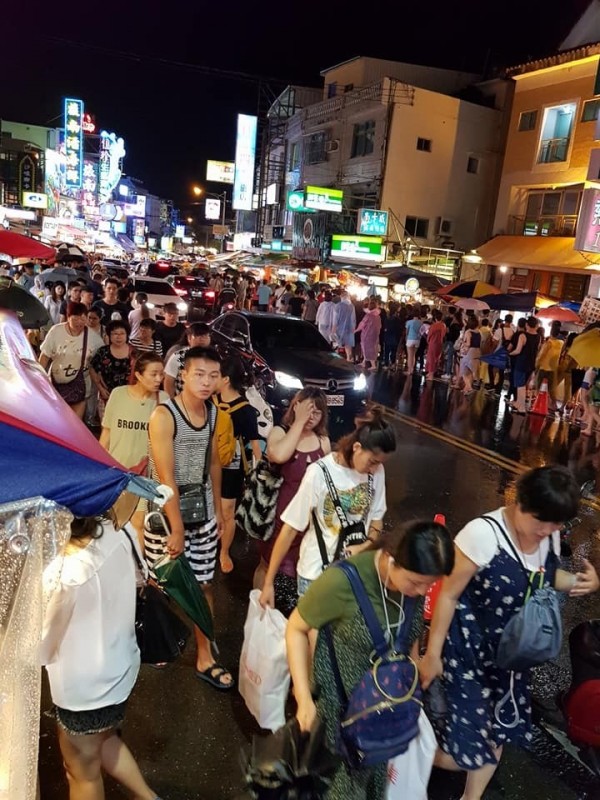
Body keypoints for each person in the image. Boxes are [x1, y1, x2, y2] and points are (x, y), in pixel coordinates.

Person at [420, 466, 600, 800]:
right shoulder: (481, 534)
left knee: (497, 735)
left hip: (513, 658)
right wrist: (432, 654)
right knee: (467, 751)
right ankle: (404, 759)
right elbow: (447, 594)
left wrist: (578, 582)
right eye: (540, 522)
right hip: (469, 655)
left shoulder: (547, 532)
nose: (546, 531)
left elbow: (544, 578)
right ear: (521, 503)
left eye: (555, 525)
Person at [287, 519, 455, 800]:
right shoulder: (343, 581)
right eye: (417, 583)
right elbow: (296, 628)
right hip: (340, 717)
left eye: (431, 585)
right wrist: (303, 698)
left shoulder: (409, 588)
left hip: (384, 714)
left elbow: (407, 640)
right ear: (391, 559)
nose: (423, 592)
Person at [41, 515, 161, 800]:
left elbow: (44, 644)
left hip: (84, 688)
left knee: (81, 771)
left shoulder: (65, 569)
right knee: (105, 737)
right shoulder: (120, 530)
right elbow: (136, 578)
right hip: (120, 666)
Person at [145, 346, 233, 690]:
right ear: (182, 374)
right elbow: (165, 478)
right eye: (199, 374)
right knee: (160, 583)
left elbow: (213, 462)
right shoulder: (164, 416)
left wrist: (220, 512)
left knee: (204, 584)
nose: (207, 382)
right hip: (167, 517)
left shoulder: (212, 412)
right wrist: (177, 528)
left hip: (202, 512)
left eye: (213, 375)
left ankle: (203, 654)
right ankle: (154, 641)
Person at [260, 406, 395, 605]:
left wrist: (366, 545)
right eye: (372, 461)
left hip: (354, 573)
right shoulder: (319, 473)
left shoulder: (377, 472)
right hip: (316, 574)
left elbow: (376, 518)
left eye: (379, 463)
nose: (374, 468)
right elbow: (290, 529)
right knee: (314, 635)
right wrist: (269, 582)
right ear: (357, 447)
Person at [254, 388, 331, 616]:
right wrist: (298, 423)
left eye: (316, 413)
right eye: (307, 410)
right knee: (269, 564)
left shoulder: (323, 442)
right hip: (278, 517)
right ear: (295, 407)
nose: (310, 417)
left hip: (308, 521)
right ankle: (261, 614)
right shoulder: (279, 432)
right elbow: (278, 455)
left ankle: (289, 618)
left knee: (300, 568)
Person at [99, 352, 168, 542]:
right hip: (116, 471)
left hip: (143, 474)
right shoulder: (118, 394)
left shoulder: (163, 399)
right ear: (138, 374)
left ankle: (140, 568)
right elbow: (107, 433)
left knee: (138, 523)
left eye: (161, 374)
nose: (159, 379)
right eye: (153, 374)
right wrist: (97, 464)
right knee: (114, 522)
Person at [215, 356, 262, 574]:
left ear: (225, 379)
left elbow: (255, 446)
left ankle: (224, 551)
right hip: (207, 465)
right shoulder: (209, 403)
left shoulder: (245, 410)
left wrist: (257, 476)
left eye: (214, 375)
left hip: (232, 468)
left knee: (227, 511)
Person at [39, 302, 104, 419]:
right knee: (54, 420)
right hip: (55, 384)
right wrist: (38, 378)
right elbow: (45, 356)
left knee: (74, 423)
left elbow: (100, 362)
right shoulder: (56, 331)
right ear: (68, 317)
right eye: (75, 319)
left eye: (83, 319)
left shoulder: (93, 338)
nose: (79, 322)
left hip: (80, 386)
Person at [89, 320, 133, 412]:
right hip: (107, 396)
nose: (118, 337)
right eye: (115, 333)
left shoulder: (134, 353)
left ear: (127, 335)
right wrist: (100, 388)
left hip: (130, 397)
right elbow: (92, 368)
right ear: (109, 335)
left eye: (122, 333)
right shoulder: (103, 352)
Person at [164, 322, 211, 397]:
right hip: (182, 402)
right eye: (197, 336)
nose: (202, 339)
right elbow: (168, 383)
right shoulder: (178, 356)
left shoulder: (212, 357)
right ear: (189, 338)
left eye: (205, 335)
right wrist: (173, 404)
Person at [508, 316, 540, 414]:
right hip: (531, 364)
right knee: (523, 384)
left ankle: (521, 407)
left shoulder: (523, 335)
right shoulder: (538, 337)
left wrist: (509, 353)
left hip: (521, 362)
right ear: (536, 326)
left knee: (520, 385)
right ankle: (518, 403)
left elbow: (518, 350)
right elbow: (537, 350)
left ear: (526, 325)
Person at [535, 319, 563, 412]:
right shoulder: (561, 343)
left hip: (543, 367)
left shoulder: (548, 343)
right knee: (552, 389)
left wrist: (536, 364)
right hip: (553, 368)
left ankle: (536, 403)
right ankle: (553, 405)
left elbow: (541, 355)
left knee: (538, 386)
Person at [457, 315, 481, 396]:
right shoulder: (478, 332)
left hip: (469, 352)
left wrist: (462, 341)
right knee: (470, 371)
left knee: (463, 371)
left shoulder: (468, 332)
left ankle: (469, 387)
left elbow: (468, 344)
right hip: (477, 352)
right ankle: (466, 389)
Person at [356, 298, 382, 370]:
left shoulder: (368, 315)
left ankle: (373, 365)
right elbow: (380, 326)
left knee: (367, 349)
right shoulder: (378, 316)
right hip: (375, 335)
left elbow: (362, 324)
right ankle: (364, 362)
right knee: (372, 348)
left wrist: (356, 330)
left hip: (367, 335)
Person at [331, 291, 356, 360]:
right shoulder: (351, 306)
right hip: (350, 329)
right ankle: (349, 359)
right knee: (348, 345)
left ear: (341, 297)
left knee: (339, 344)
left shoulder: (338, 306)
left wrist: (333, 330)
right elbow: (353, 319)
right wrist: (353, 328)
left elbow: (335, 319)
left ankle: (339, 360)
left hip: (339, 328)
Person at [425, 308, 447, 381]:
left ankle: (430, 374)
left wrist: (428, 341)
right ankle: (432, 372)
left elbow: (429, 335)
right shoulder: (443, 325)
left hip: (432, 343)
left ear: (435, 318)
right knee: (436, 358)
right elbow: (443, 335)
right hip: (439, 343)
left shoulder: (434, 326)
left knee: (431, 358)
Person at [405, 311, 422, 375]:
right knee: (413, 355)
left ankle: (409, 370)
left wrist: (406, 338)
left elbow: (407, 332)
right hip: (417, 339)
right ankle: (412, 369)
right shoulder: (421, 322)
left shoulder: (409, 322)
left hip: (410, 339)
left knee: (409, 355)